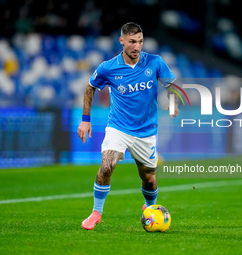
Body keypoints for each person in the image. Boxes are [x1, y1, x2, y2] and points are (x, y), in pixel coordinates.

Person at [77, 22, 179, 230]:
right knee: (107, 166)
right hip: (118, 128)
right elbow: (90, 87)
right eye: (132, 42)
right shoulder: (108, 68)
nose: (137, 46)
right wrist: (85, 120)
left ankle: (150, 209)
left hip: (146, 132)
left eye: (140, 41)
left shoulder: (155, 62)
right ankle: (96, 212)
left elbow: (172, 86)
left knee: (149, 179)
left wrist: (173, 102)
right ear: (122, 41)